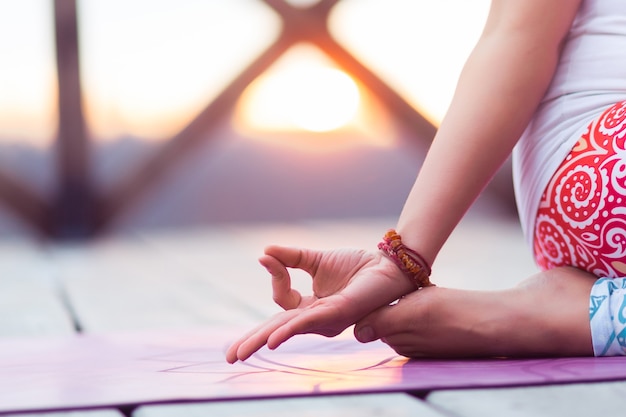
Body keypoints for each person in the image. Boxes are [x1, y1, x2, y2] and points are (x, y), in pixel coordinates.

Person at [226, 0, 626, 363]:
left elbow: (515, 33)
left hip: (579, 191)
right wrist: (401, 258)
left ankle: (597, 312)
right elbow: (514, 36)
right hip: (605, 163)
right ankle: (587, 315)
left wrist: (401, 260)